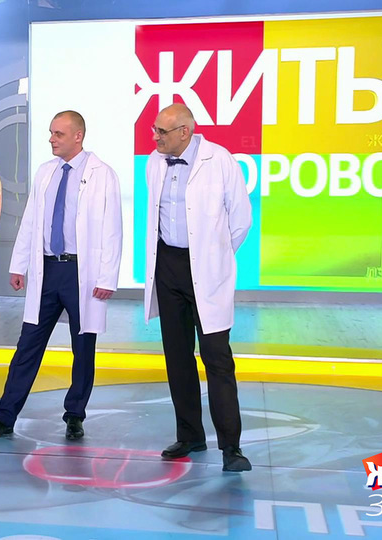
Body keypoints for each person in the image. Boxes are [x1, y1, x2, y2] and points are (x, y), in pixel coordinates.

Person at [0, 110, 123, 441]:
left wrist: (107, 277)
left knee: (83, 347)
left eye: (58, 134)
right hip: (47, 270)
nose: (51, 139)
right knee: (27, 345)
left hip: (81, 273)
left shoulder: (102, 174)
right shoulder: (45, 172)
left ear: (78, 136)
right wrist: (19, 265)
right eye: (50, 133)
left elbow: (113, 227)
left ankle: (75, 415)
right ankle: (4, 416)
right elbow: (31, 220)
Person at [143, 103, 253, 472]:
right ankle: (190, 434)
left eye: (162, 131)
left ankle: (231, 448)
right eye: (155, 129)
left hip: (206, 270)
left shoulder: (220, 161)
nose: (155, 137)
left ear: (185, 132)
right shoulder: (154, 162)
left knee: (217, 359)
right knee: (177, 357)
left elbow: (241, 220)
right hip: (167, 267)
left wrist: (214, 257)